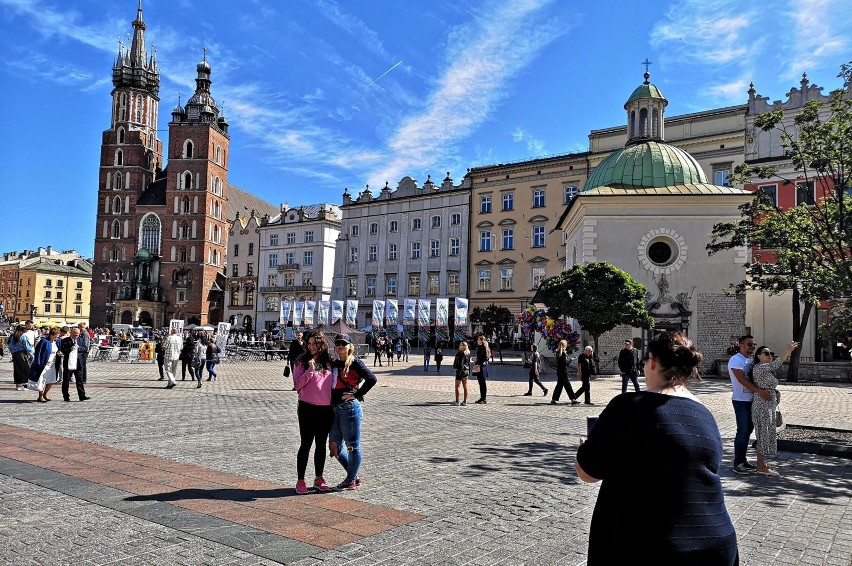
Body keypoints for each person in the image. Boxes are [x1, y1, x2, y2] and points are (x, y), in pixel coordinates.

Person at [575, 332, 739, 565]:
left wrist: (585, 449)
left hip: (651, 547)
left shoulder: (629, 406)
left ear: (651, 361)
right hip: (715, 544)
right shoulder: (704, 414)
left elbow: (588, 472)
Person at [329, 334, 377, 490]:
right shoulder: (335, 363)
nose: (340, 345)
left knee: (352, 447)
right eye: (338, 343)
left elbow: (372, 378)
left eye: (344, 343)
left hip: (349, 409)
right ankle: (353, 475)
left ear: (350, 346)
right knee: (334, 447)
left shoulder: (355, 363)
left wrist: (356, 394)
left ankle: (350, 480)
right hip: (334, 408)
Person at [293, 331, 335, 495]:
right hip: (307, 408)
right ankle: (301, 480)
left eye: (314, 344)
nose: (311, 347)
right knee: (306, 444)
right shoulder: (301, 361)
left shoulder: (328, 362)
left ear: (321, 344)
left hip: (325, 409)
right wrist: (310, 370)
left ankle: (319, 478)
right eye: (308, 344)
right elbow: (297, 385)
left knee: (321, 445)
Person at [750, 341, 798, 475]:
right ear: (759, 356)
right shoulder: (759, 368)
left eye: (771, 353)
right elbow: (776, 364)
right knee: (763, 434)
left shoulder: (765, 369)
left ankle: (762, 463)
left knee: (767, 432)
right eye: (766, 353)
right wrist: (787, 350)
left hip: (768, 404)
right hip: (762, 405)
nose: (769, 355)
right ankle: (760, 466)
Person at [728, 334, 771, 474]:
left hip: (753, 401)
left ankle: (743, 461)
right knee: (743, 431)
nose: (752, 347)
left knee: (748, 431)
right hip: (741, 401)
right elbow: (741, 380)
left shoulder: (751, 361)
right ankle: (738, 463)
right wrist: (759, 391)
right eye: (749, 344)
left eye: (754, 345)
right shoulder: (736, 360)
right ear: (740, 345)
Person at [28, 326, 61, 402]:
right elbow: (38, 352)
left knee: (51, 380)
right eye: (57, 335)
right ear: (52, 334)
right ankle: (40, 396)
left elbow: (58, 350)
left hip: (52, 364)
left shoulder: (57, 341)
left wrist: (59, 353)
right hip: (44, 364)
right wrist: (37, 362)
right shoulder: (44, 341)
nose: (58, 337)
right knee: (42, 380)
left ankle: (45, 394)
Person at [60, 327, 90, 401]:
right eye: (74, 335)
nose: (76, 336)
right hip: (69, 363)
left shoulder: (80, 339)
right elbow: (63, 350)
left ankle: (82, 395)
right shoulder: (65, 340)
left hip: (78, 363)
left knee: (80, 380)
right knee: (66, 380)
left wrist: (79, 348)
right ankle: (66, 396)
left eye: (77, 335)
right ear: (71, 333)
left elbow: (86, 348)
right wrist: (70, 348)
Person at [551, 339, 578, 405]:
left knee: (565, 385)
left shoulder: (558, 353)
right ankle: (555, 399)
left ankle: (572, 399)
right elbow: (565, 364)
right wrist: (571, 360)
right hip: (563, 371)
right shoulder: (562, 353)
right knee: (563, 385)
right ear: (564, 346)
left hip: (560, 371)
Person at [8, 325, 31, 391]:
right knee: (25, 369)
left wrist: (13, 352)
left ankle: (18, 386)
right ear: (24, 330)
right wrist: (32, 354)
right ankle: (24, 386)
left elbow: (9, 346)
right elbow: (27, 346)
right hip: (22, 353)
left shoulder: (12, 336)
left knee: (17, 369)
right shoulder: (23, 336)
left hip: (15, 354)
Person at [473, 335, 490, 404]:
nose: (477, 341)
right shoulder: (480, 347)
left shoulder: (484, 348)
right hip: (479, 365)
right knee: (481, 383)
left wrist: (477, 360)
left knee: (482, 383)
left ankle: (484, 398)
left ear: (481, 340)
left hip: (482, 366)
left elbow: (486, 358)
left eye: (478, 340)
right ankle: (482, 398)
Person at [452, 341, 471, 405]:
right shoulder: (468, 353)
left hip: (461, 370)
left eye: (460, 345)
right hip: (466, 371)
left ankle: (457, 401)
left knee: (457, 386)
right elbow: (468, 363)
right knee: (465, 386)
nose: (459, 346)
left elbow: (460, 364)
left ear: (464, 346)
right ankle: (465, 401)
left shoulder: (460, 353)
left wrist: (458, 372)